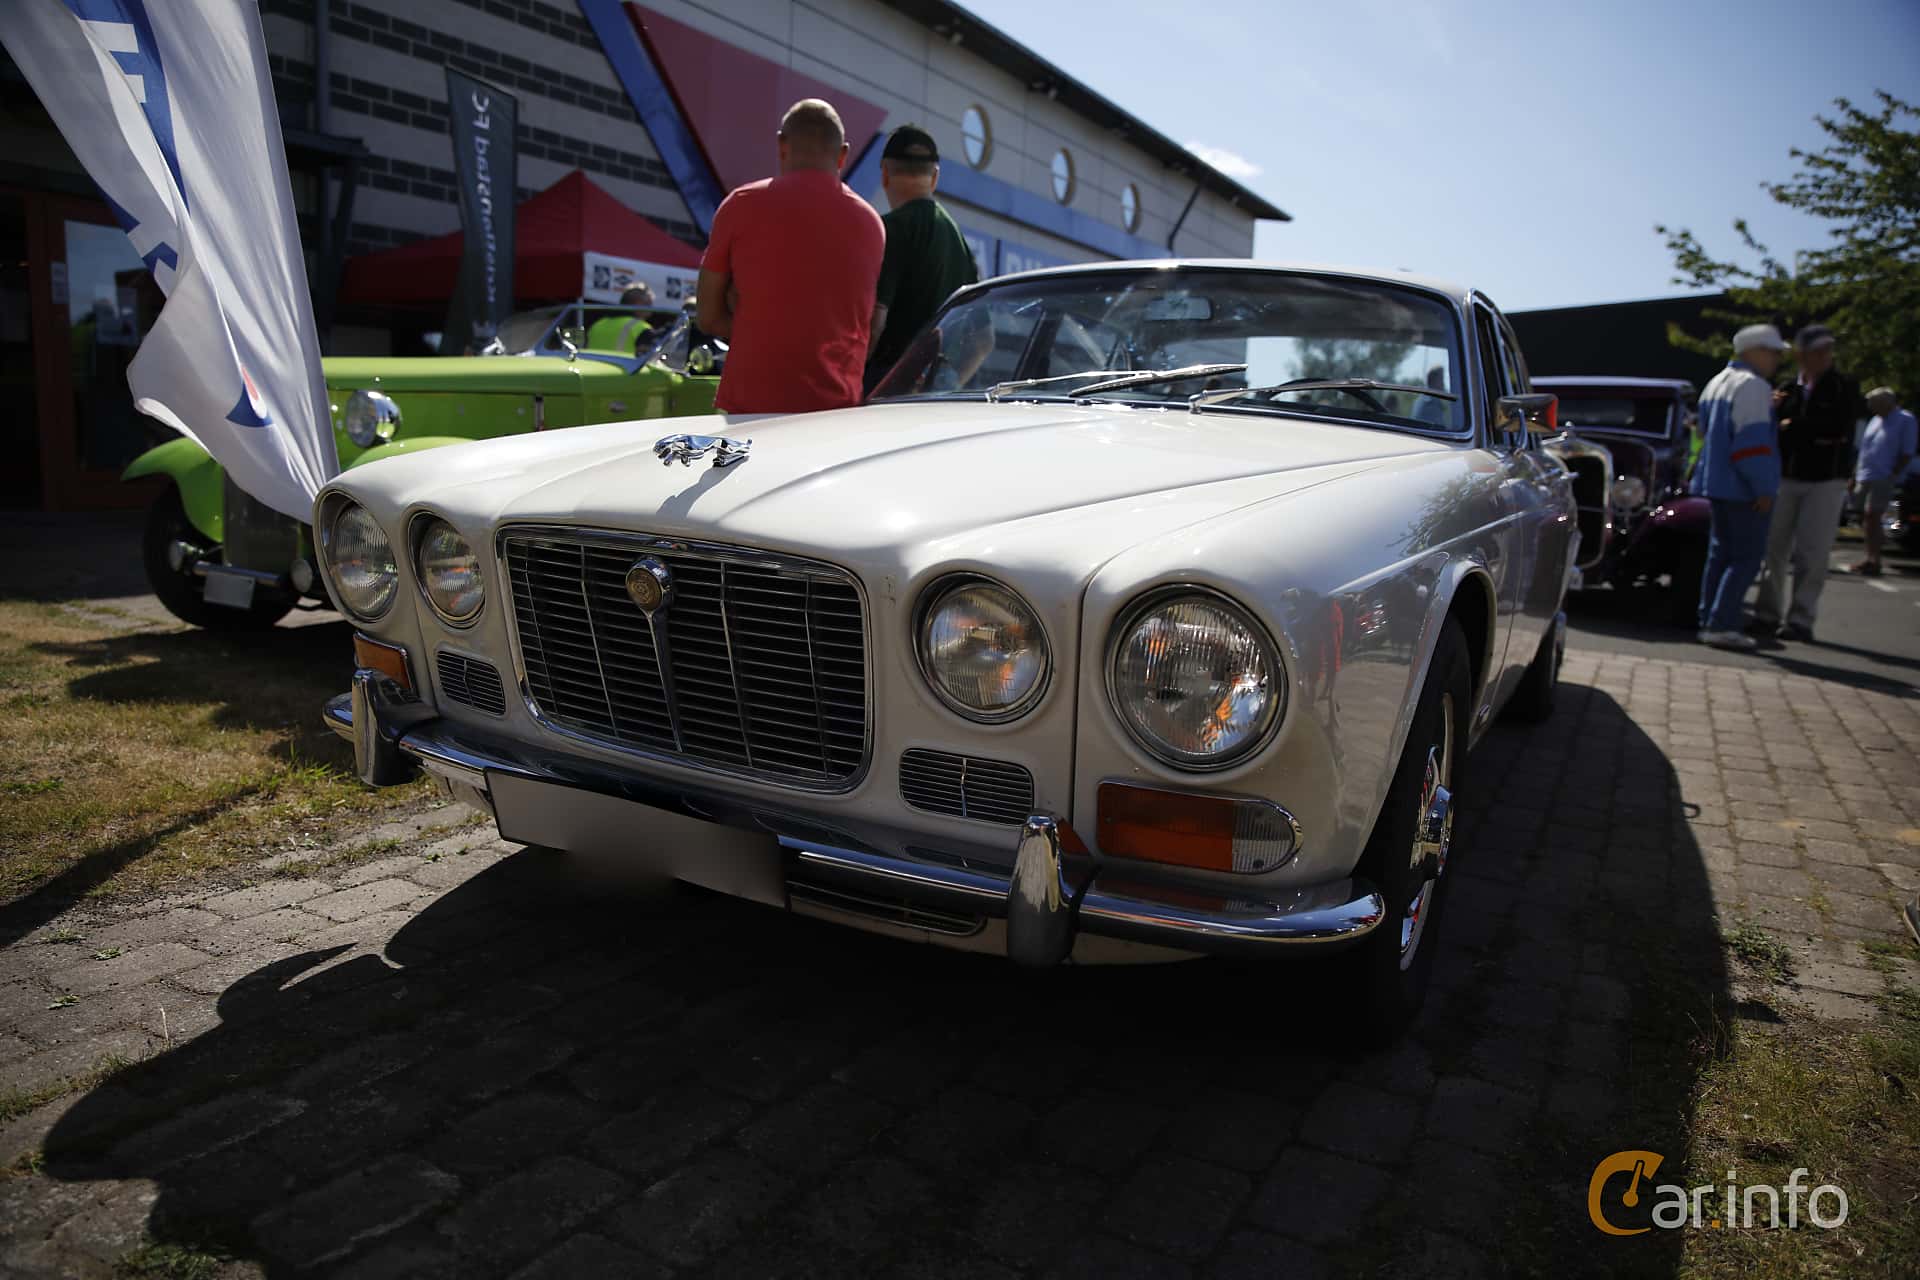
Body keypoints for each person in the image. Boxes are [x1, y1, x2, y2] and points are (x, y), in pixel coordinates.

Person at [695, 99, 885, 415]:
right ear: (843, 154)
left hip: (751, 408)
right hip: (834, 413)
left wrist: (755, 323)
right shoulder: (871, 224)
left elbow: (707, 316)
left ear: (782, 145)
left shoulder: (740, 205)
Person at [1752, 324, 1865, 640]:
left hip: (1825, 480)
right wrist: (1778, 416)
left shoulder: (1842, 387)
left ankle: (1800, 619)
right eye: (1817, 351)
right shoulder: (1788, 388)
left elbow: (1832, 427)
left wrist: (1791, 425)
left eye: (1827, 350)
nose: (1824, 356)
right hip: (1786, 477)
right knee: (1774, 547)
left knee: (1812, 552)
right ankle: (1766, 613)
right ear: (1801, 354)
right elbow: (1773, 428)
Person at [1691, 324, 1787, 651]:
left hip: (1716, 483)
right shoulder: (1753, 386)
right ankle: (1723, 622)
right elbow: (1751, 445)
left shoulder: (1716, 383)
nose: (1776, 360)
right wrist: (1763, 488)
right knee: (1746, 557)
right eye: (1773, 352)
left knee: (1719, 555)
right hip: (1743, 486)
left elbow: (1705, 434)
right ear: (1755, 351)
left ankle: (1710, 619)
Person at [863, 125, 979, 392]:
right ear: (935, 177)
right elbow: (984, 340)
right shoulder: (957, 238)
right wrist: (945, 383)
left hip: (889, 385)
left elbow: (875, 324)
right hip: (942, 390)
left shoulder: (889, 229)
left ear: (884, 174)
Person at [1850, 387, 1918, 576]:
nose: (1871, 408)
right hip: (1867, 474)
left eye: (1874, 404)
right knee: (1867, 518)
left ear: (1886, 402)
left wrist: (1894, 473)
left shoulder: (1905, 419)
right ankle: (1870, 557)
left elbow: (1907, 450)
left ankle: (1875, 560)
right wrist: (1855, 475)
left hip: (1884, 475)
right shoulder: (1876, 420)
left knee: (1874, 515)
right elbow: (1866, 450)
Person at [584, 284, 657, 355]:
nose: (651, 308)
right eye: (648, 304)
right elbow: (647, 360)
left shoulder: (597, 325)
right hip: (627, 367)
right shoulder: (641, 328)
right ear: (635, 303)